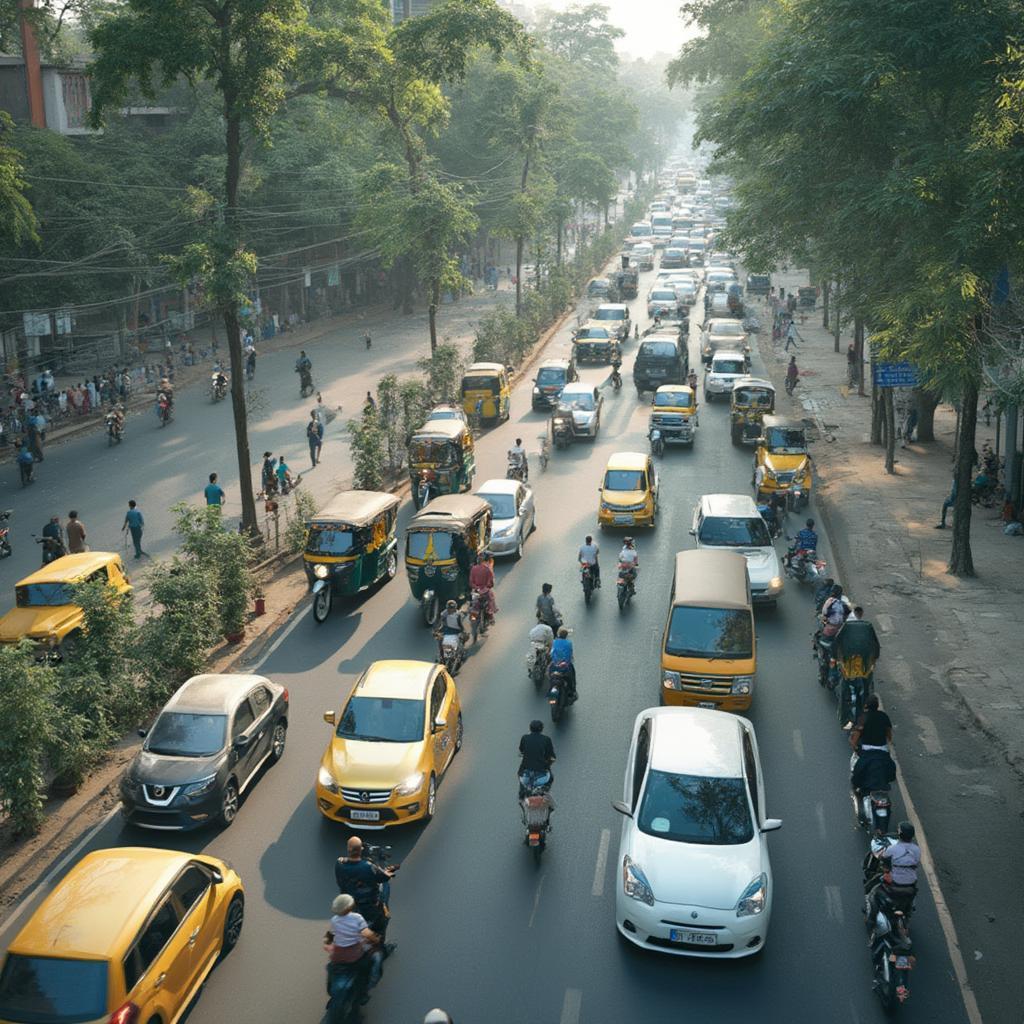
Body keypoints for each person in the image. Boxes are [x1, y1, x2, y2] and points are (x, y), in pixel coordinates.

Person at [335, 835, 397, 942]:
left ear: (348, 849)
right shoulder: (368, 867)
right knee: (383, 917)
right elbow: (383, 877)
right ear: (361, 850)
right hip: (369, 905)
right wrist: (389, 872)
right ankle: (381, 944)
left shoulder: (339, 863)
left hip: (349, 903)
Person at [325, 893, 382, 995]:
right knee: (377, 957)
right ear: (350, 906)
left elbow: (331, 935)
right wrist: (376, 939)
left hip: (338, 953)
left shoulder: (334, 920)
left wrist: (328, 942)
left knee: (331, 966)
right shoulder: (357, 917)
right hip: (354, 951)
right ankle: (370, 986)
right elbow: (366, 933)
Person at [867, 821, 921, 921]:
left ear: (900, 834)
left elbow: (881, 856)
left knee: (873, 893)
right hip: (911, 885)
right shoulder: (917, 849)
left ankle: (870, 920)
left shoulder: (893, 849)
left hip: (895, 884)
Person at [518, 719, 555, 794]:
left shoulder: (524, 738)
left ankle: (522, 792)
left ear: (530, 728)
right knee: (551, 778)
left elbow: (521, 750)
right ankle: (545, 790)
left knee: (519, 774)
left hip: (525, 775)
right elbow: (551, 756)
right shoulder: (546, 739)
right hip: (542, 774)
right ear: (542, 729)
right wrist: (548, 763)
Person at [550, 626, 577, 702]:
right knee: (572, 676)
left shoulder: (555, 641)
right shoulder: (568, 643)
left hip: (555, 665)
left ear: (559, 634)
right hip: (565, 666)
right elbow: (570, 653)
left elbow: (552, 652)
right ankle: (573, 690)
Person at [468, 552, 496, 617]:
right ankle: (490, 615)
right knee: (491, 600)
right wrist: (487, 587)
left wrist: (476, 588)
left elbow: (471, 582)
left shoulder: (473, 568)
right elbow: (491, 582)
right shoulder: (488, 569)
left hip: (476, 590)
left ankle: (474, 616)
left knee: (473, 603)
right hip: (485, 590)